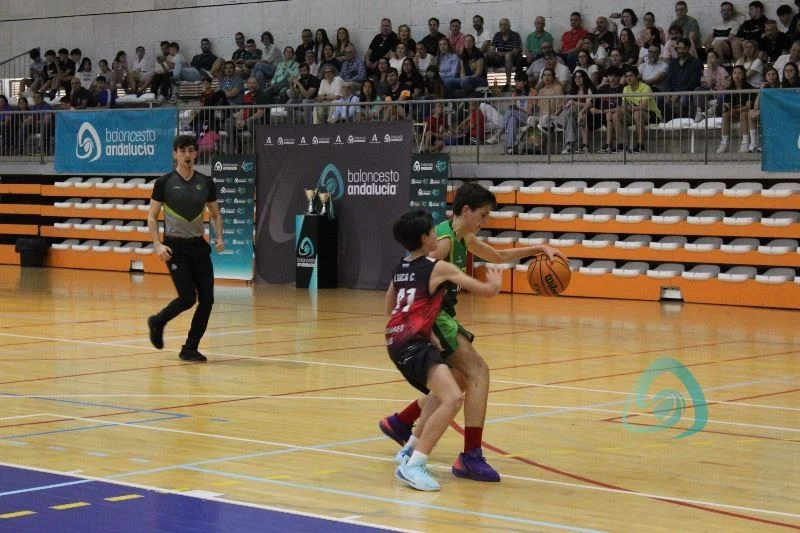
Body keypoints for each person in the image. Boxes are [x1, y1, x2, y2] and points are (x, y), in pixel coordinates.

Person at [380, 183, 565, 483]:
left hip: (439, 318)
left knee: (459, 380)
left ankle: (406, 432)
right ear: (466, 211)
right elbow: (412, 277)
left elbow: (497, 256)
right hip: (434, 319)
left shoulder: (462, 236)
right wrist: (423, 328)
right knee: (478, 372)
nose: (485, 221)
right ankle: (470, 455)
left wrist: (538, 249)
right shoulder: (442, 243)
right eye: (483, 215)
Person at [386, 210, 502, 492]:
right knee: (452, 398)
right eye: (433, 233)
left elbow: (390, 307)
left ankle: (409, 450)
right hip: (413, 343)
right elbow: (481, 289)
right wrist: (494, 285)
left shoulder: (400, 267)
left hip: (396, 341)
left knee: (449, 387)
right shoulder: (437, 267)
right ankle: (414, 465)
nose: (437, 236)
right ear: (425, 239)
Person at [147, 135, 224, 362]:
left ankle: (190, 348)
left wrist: (220, 237)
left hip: (198, 247)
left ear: (196, 153)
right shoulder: (164, 183)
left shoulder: (206, 182)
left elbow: (215, 214)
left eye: (191, 150)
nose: (187, 155)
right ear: (175, 154)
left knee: (207, 300)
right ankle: (158, 321)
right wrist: (157, 244)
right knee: (188, 297)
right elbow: (152, 216)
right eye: (182, 151)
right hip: (175, 248)